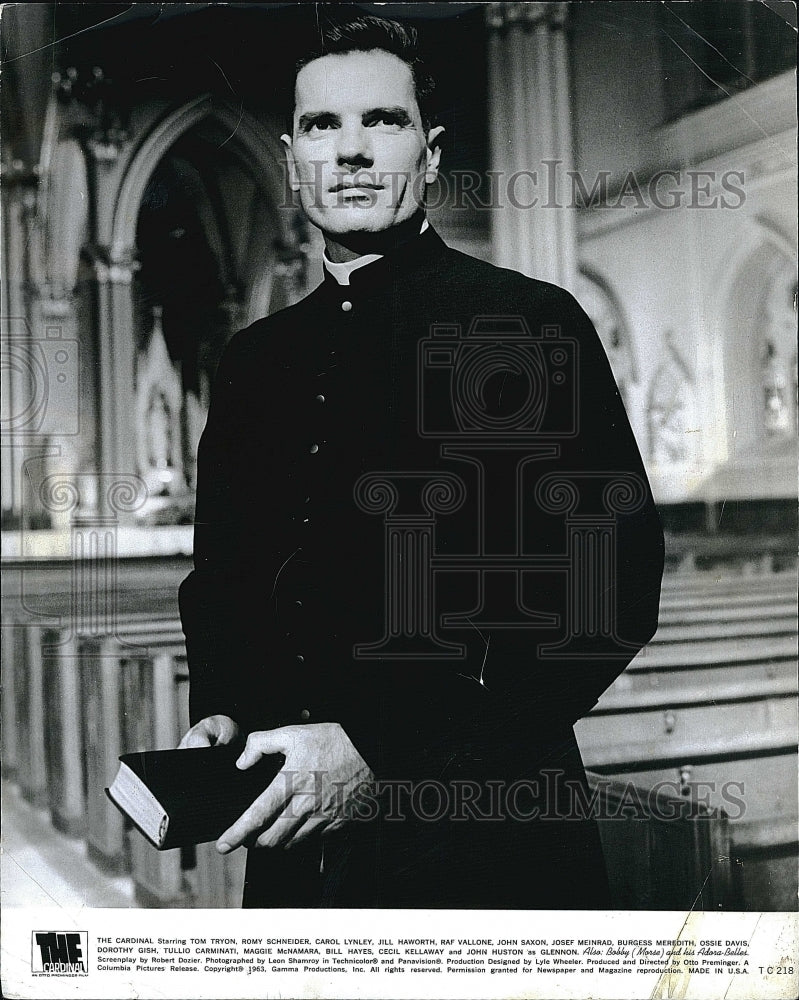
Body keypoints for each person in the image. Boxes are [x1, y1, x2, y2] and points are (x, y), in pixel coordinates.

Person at [178, 14, 665, 909]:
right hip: (298, 849)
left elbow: (606, 596)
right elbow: (222, 579)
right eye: (322, 127)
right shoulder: (254, 363)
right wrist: (226, 703)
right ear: (292, 161)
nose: (352, 152)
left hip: (487, 834)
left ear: (431, 156)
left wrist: (380, 752)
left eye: (383, 122)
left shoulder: (527, 324)